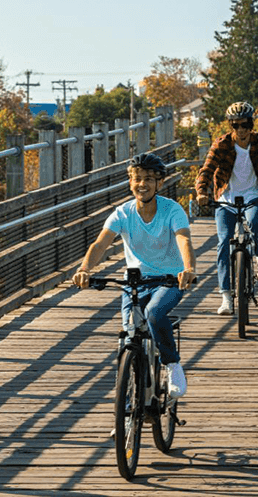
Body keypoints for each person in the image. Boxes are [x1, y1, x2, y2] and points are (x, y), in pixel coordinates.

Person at [74, 153, 196, 398]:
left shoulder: (172, 210)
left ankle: (172, 364)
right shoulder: (123, 213)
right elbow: (100, 244)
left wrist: (188, 268)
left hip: (169, 280)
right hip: (135, 283)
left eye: (149, 179)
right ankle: (129, 409)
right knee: (129, 336)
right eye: (137, 178)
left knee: (154, 313)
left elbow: (183, 239)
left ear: (160, 183)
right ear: (130, 182)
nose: (142, 184)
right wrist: (84, 269)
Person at [195, 101, 258, 315]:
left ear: (251, 124)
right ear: (231, 126)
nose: (241, 130)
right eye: (236, 126)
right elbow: (206, 170)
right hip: (226, 196)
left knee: (256, 220)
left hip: (252, 194)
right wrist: (201, 192)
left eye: (245, 125)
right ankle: (226, 296)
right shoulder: (222, 145)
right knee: (224, 241)